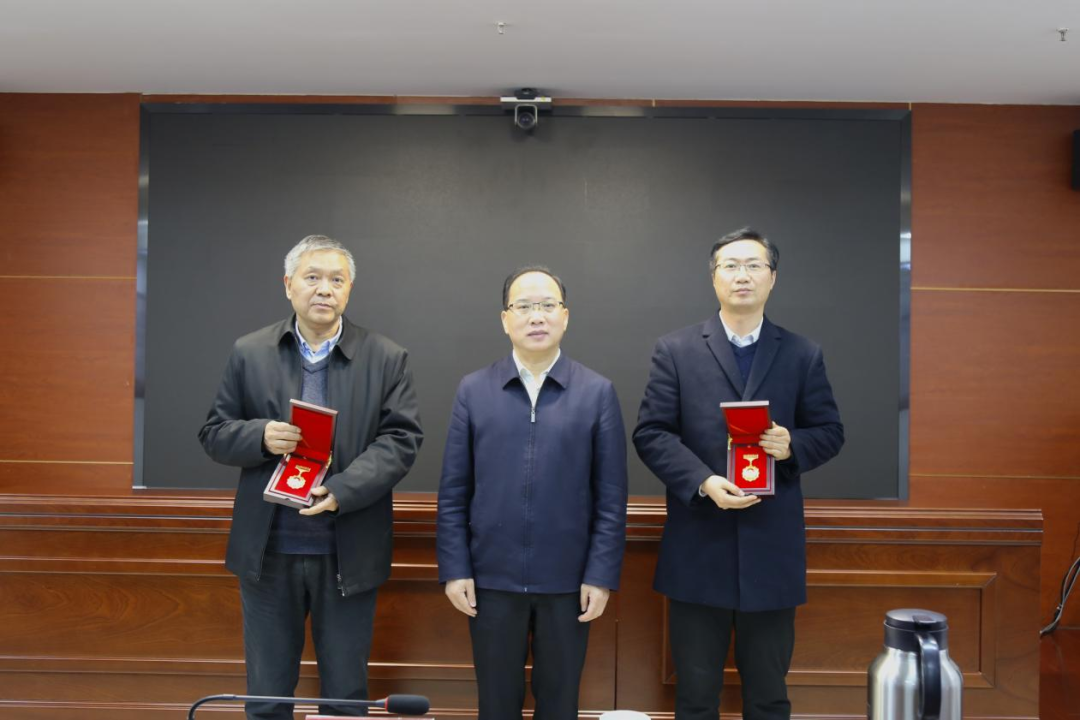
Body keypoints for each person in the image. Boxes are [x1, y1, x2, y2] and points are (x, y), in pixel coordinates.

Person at [198, 234, 423, 719]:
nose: (325, 289)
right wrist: (260, 436)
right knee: (267, 693)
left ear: (349, 289)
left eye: (337, 280)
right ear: (288, 284)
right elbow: (214, 433)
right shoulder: (250, 351)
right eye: (313, 277)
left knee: (344, 693)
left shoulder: (386, 357)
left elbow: (401, 441)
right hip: (268, 551)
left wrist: (342, 490)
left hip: (348, 549)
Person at [633, 227, 844, 720]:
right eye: (730, 265)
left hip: (772, 550)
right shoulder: (676, 350)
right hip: (698, 547)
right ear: (714, 278)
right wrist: (703, 482)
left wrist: (792, 445)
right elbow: (652, 433)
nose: (742, 275)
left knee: (769, 697)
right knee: (695, 697)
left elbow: (830, 431)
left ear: (772, 278)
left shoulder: (802, 353)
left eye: (753, 265)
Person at [436, 266, 628, 720]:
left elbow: (611, 496)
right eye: (523, 306)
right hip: (490, 580)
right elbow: (454, 490)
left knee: (559, 704)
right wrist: (455, 569)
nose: (536, 316)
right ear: (505, 319)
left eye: (547, 305)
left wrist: (600, 575)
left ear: (565, 316)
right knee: (496, 704)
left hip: (568, 583)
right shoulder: (474, 390)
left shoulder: (596, 392)